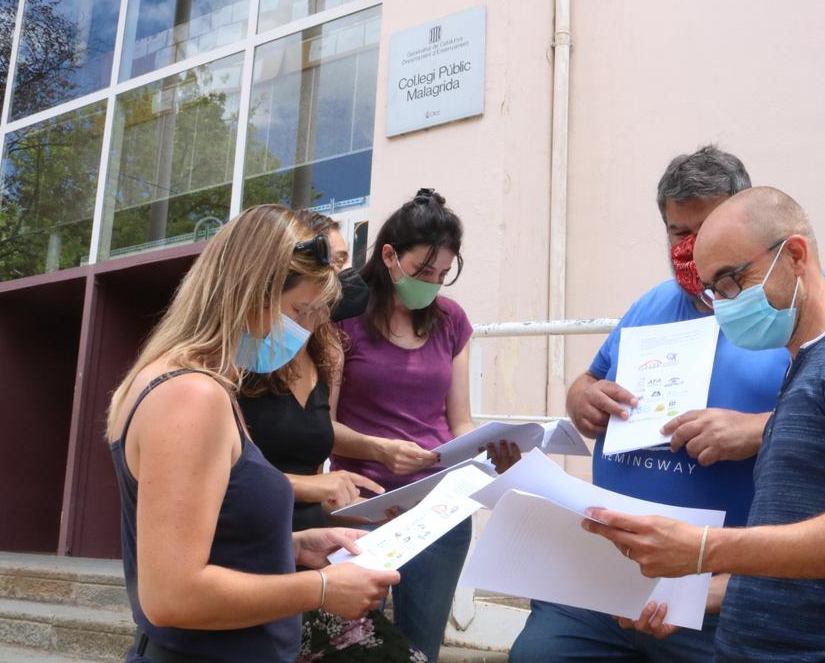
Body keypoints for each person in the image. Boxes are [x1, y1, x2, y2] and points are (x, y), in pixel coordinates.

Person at [510, 146, 825, 662]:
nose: (693, 246)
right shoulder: (651, 305)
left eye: (710, 225)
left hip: (720, 586)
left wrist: (757, 430)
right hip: (609, 573)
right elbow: (590, 378)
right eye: (679, 232)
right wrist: (582, 396)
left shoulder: (806, 299)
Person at [583, 186, 825, 661]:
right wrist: (690, 594)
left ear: (794, 255)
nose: (724, 303)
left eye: (733, 280)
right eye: (714, 289)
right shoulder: (805, 366)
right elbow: (799, 554)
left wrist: (705, 548)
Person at [106, 204, 400, 662]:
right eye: (299, 312)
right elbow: (171, 596)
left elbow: (211, 540)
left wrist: (295, 546)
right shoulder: (191, 396)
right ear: (250, 293)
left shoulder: (197, 383)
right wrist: (320, 588)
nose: (305, 332)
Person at [330, 189, 518, 662]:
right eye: (421, 272)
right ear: (389, 255)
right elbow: (321, 425)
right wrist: (379, 449)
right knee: (349, 647)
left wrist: (488, 453)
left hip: (439, 507)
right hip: (361, 505)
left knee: (420, 649)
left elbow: (460, 420)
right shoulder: (343, 316)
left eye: (441, 275)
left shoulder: (451, 321)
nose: (431, 285)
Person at [236, 210, 426, 662]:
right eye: (333, 263)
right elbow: (222, 476)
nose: (340, 280)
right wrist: (308, 486)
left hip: (306, 545)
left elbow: (317, 435)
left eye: (343, 263)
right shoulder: (239, 360)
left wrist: (370, 462)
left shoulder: (320, 351)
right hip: (253, 560)